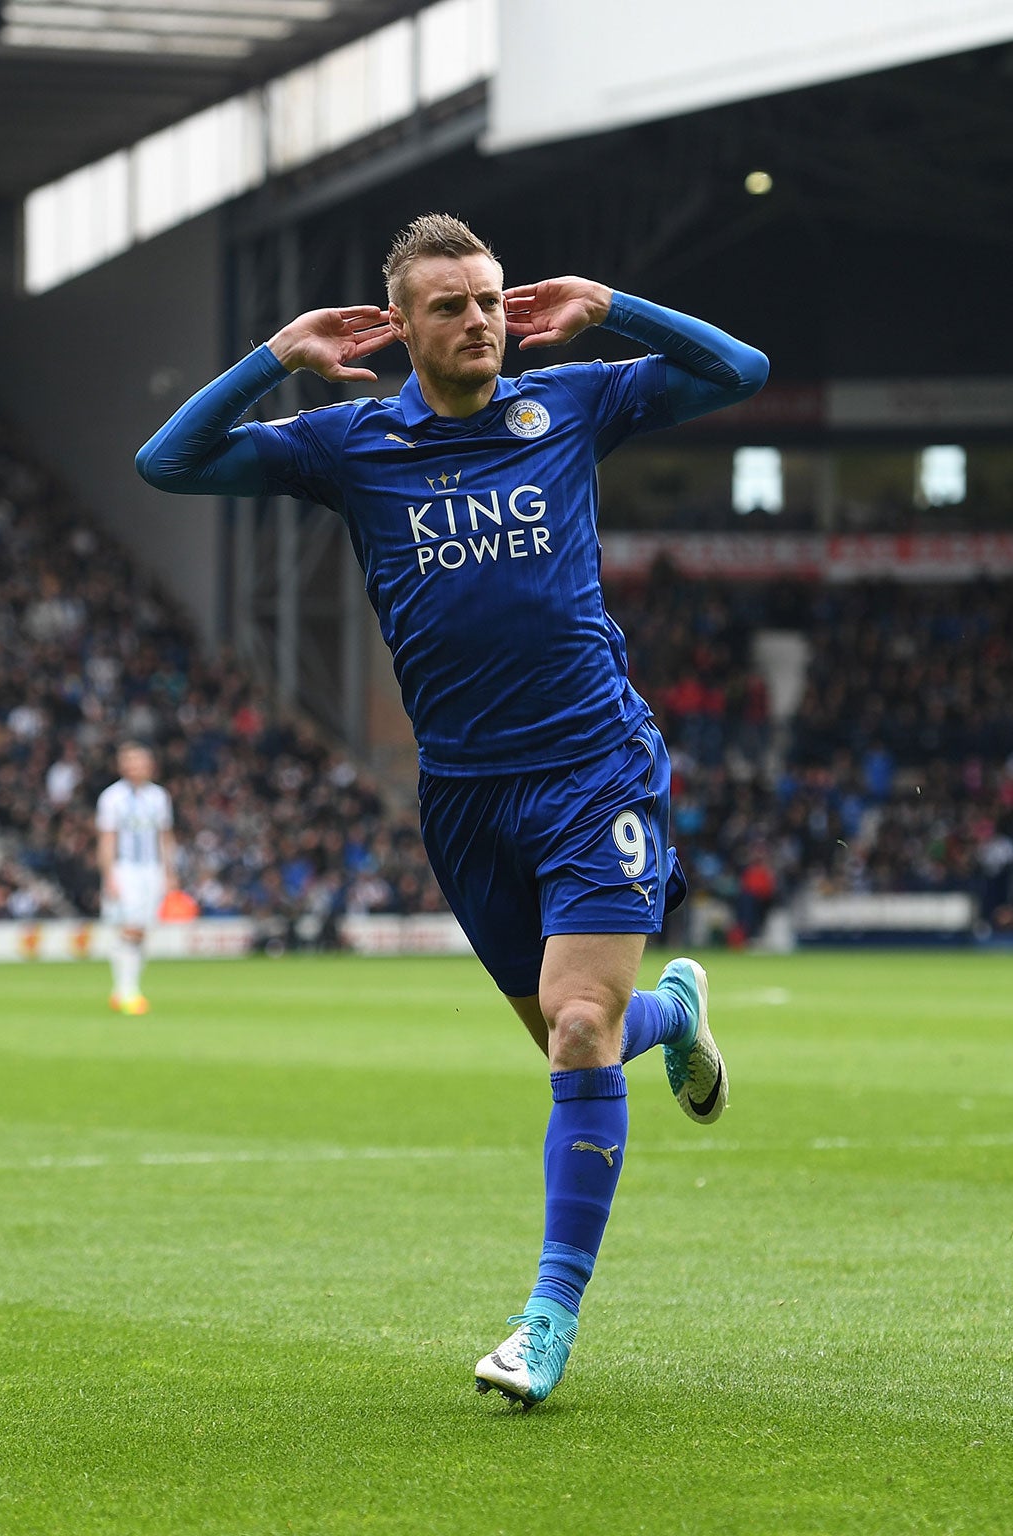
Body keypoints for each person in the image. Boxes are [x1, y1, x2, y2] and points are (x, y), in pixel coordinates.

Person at [137, 212, 764, 1407]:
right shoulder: (349, 441)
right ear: (407, 329)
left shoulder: (570, 401)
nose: (477, 320)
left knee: (577, 1031)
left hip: (594, 764)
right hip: (465, 795)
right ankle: (674, 1011)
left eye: (487, 300)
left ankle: (544, 1321)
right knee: (576, 1035)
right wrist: (276, 356)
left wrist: (610, 301)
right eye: (449, 307)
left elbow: (738, 372)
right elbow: (166, 464)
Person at [96, 741, 175, 1014]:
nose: (135, 766)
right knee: (130, 927)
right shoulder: (112, 797)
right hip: (124, 867)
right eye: (130, 761)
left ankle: (123, 990)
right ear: (122, 766)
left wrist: (169, 872)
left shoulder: (159, 797)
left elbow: (165, 836)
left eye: (140, 761)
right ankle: (128, 992)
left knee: (141, 930)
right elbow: (107, 838)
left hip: (151, 869)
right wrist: (109, 875)